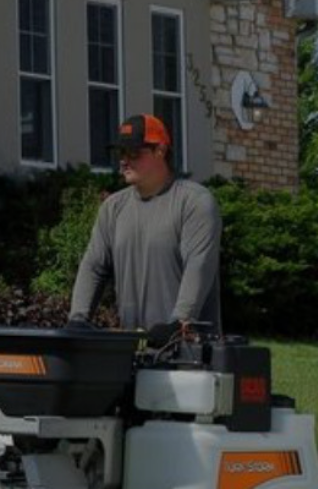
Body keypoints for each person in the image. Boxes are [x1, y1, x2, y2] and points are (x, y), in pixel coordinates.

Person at [69, 114, 222, 335]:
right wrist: (78, 319)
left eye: (133, 152)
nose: (124, 160)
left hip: (190, 354)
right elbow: (93, 266)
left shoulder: (194, 203)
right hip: (132, 351)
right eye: (121, 153)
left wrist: (180, 321)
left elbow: (199, 267)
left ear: (160, 150)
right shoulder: (113, 208)